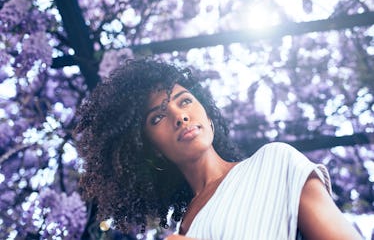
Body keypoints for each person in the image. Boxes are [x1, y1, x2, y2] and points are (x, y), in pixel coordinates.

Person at [75, 59, 361, 240]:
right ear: (151, 150)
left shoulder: (274, 163)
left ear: (207, 114)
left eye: (184, 100)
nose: (180, 116)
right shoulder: (182, 233)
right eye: (158, 117)